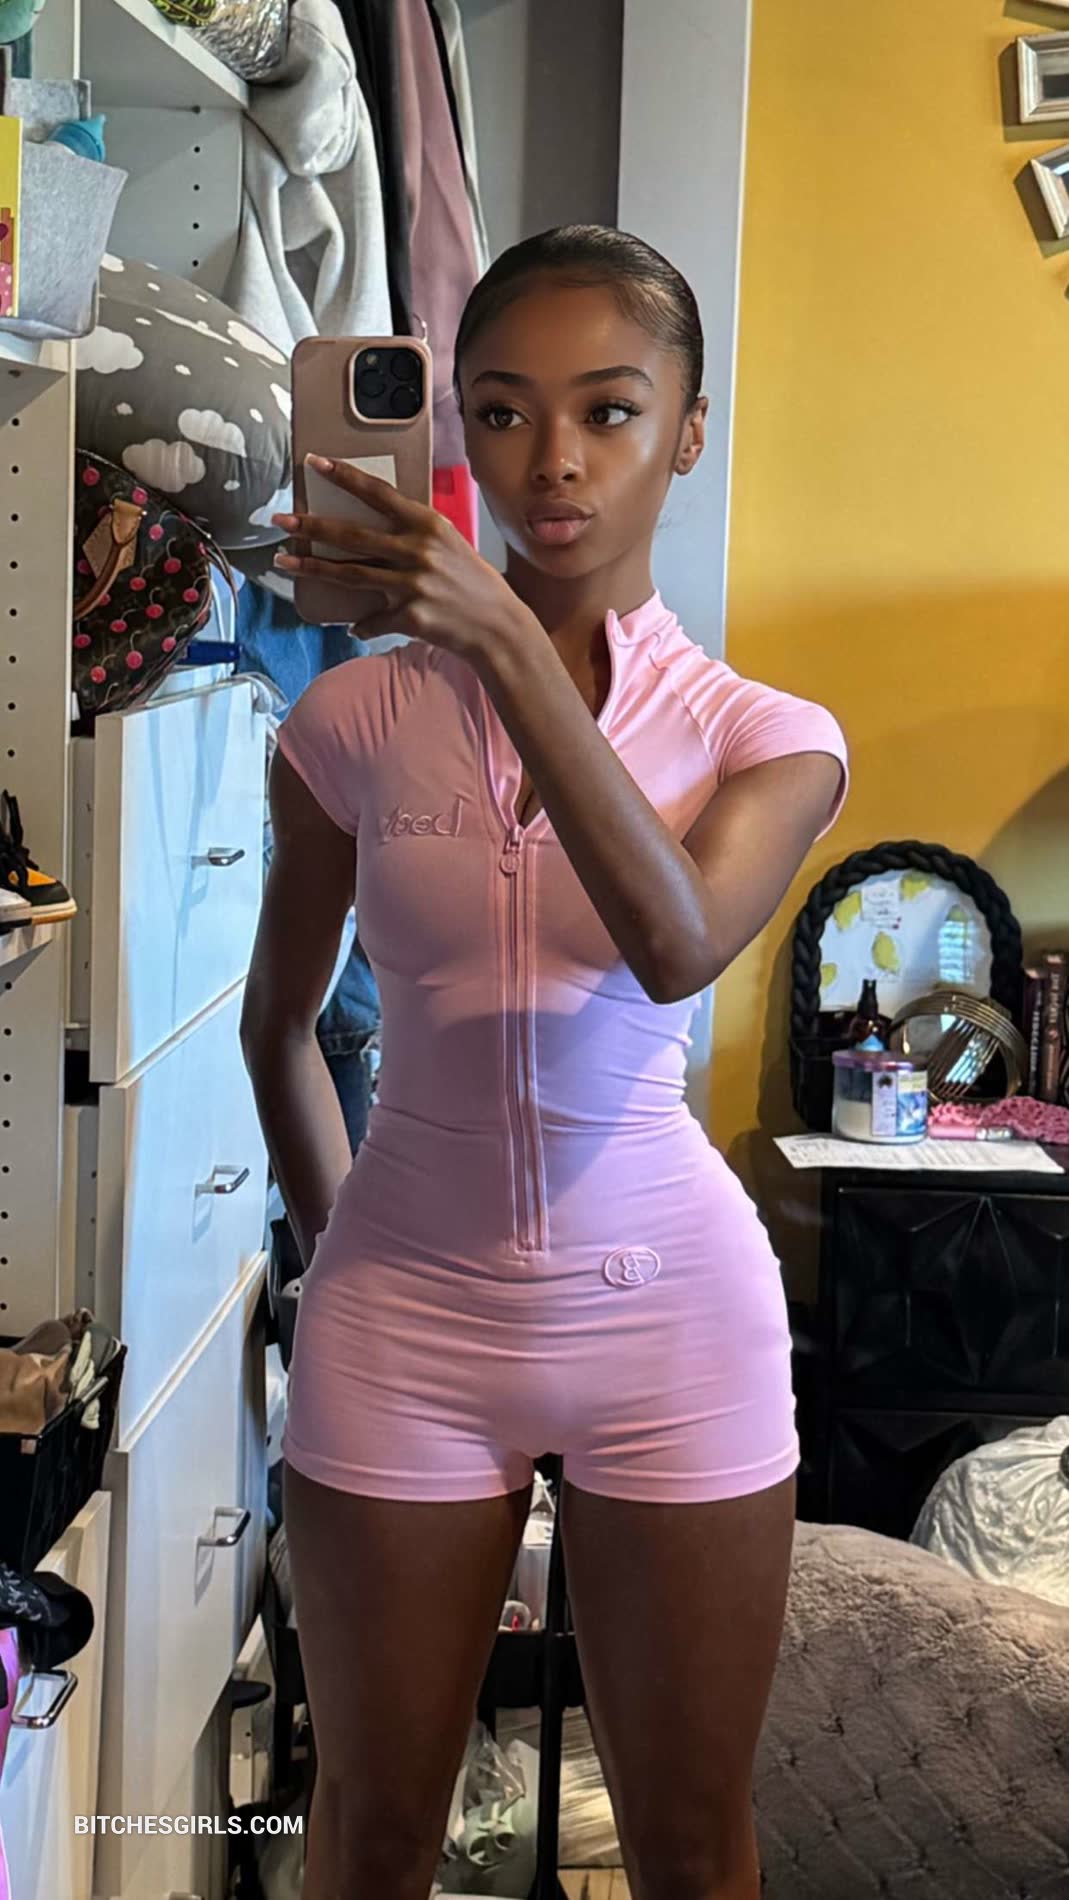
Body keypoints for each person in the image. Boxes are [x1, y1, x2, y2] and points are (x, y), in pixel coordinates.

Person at [241, 225, 848, 1900]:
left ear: (688, 432)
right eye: (503, 412)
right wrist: (336, 1254)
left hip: (674, 1320)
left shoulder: (767, 738)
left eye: (608, 410)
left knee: (687, 1846)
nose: (553, 461)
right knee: (369, 1834)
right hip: (401, 1316)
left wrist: (505, 645)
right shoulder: (348, 725)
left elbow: (674, 942)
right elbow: (277, 1024)